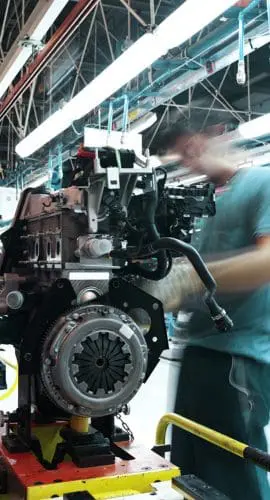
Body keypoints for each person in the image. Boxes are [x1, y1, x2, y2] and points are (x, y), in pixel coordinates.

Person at [152, 125, 270, 499]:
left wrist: (190, 280)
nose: (185, 164)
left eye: (182, 154)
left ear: (199, 139)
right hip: (198, 354)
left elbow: (266, 262)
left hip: (238, 358)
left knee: (234, 477)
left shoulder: (261, 183)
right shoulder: (208, 203)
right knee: (192, 474)